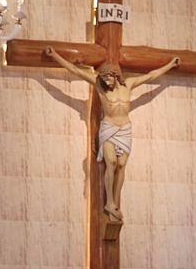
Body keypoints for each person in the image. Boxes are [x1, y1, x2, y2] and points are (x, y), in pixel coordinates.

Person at [45, 47, 180, 220]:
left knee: (122, 166)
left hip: (125, 129)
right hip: (109, 128)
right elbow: (75, 70)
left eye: (109, 78)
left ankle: (115, 202)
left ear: (116, 76)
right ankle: (109, 202)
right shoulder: (99, 84)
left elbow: (151, 76)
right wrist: (55, 55)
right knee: (112, 163)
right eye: (104, 78)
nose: (107, 81)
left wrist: (170, 65)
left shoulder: (128, 84)